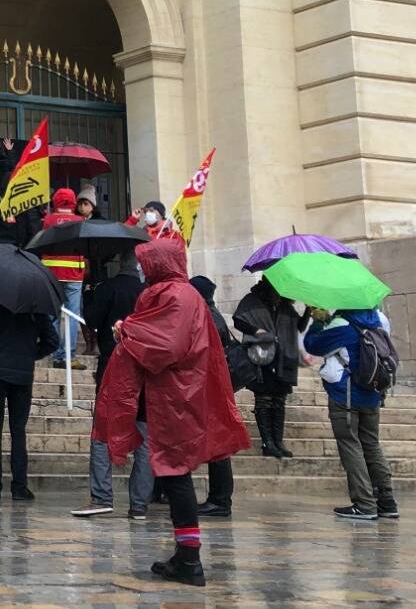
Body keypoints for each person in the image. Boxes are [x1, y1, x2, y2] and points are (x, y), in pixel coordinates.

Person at [94, 238, 249, 585]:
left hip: (175, 395)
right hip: (176, 392)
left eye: (147, 262)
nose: (142, 268)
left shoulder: (174, 295)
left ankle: (190, 559)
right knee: (172, 472)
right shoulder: (179, 293)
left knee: (174, 472)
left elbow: (168, 344)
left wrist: (128, 331)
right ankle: (185, 552)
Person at [304, 301, 397, 523]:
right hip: (373, 393)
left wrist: (317, 322)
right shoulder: (379, 321)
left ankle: (364, 504)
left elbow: (313, 345)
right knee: (371, 445)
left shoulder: (341, 324)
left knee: (350, 445)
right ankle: (387, 501)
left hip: (345, 395)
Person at [77, 257, 150, 517]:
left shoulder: (108, 288)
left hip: (113, 367)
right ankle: (139, 504)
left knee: (102, 433)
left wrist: (89, 294)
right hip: (144, 371)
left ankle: (101, 497)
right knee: (145, 437)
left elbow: (92, 320)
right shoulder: (149, 294)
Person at [0, 292, 56, 501]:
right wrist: (30, 353)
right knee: (18, 430)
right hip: (22, 373)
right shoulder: (36, 303)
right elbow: (52, 341)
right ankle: (20, 486)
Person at [233, 275, 302, 460]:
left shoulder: (285, 305)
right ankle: (267, 443)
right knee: (264, 399)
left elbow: (299, 326)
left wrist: (310, 310)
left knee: (279, 400)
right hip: (262, 357)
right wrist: (256, 331)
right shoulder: (252, 300)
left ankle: (278, 442)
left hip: (282, 359)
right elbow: (238, 320)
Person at [189, 275, 237, 518]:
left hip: (211, 388)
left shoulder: (207, 318)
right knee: (216, 445)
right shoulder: (213, 315)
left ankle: (220, 500)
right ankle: (220, 498)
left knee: (217, 447)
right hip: (215, 387)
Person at [38, 188, 86, 366]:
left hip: (52, 274)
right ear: (73, 202)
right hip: (74, 275)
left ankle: (53, 352)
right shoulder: (80, 221)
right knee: (72, 315)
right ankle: (68, 355)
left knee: (53, 314)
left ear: (55, 201)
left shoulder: (48, 220)